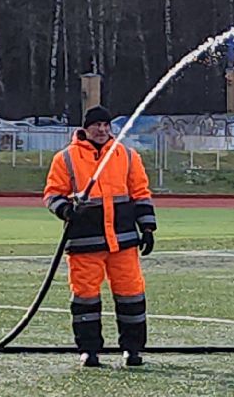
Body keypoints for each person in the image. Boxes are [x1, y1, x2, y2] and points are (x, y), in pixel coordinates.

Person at [43, 106, 156, 367]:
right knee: (85, 297)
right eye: (97, 125)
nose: (103, 130)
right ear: (86, 128)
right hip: (85, 241)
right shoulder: (66, 158)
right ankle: (89, 350)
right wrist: (65, 210)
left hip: (123, 239)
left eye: (106, 125)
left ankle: (132, 348)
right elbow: (52, 194)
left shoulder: (127, 156)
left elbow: (140, 193)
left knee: (131, 294)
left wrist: (147, 227)